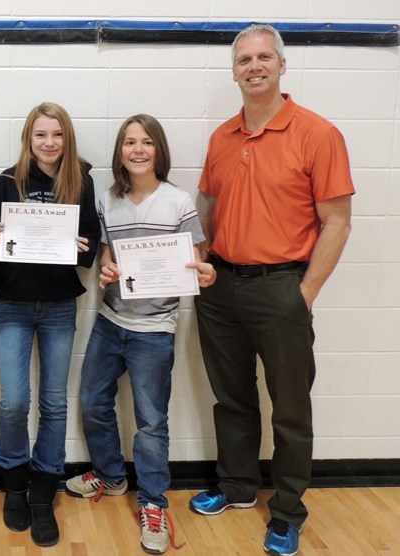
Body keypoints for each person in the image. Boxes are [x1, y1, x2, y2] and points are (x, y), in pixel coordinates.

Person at [189, 24, 354, 556]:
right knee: (231, 397)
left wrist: (303, 294)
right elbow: (206, 204)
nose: (253, 67)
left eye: (263, 57)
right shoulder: (221, 137)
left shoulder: (318, 134)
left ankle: (286, 511)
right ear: (234, 71)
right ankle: (237, 486)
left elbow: (338, 222)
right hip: (220, 288)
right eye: (244, 60)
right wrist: (202, 256)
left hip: (281, 288)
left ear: (282, 66)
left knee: (289, 407)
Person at [64, 114, 215, 554]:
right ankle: (111, 477)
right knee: (93, 401)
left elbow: (198, 262)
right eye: (129, 142)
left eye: (146, 142)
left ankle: (153, 503)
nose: (137, 150)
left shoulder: (179, 201)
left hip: (155, 330)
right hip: (110, 323)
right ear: (120, 151)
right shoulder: (109, 200)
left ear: (158, 150)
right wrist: (107, 272)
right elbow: (106, 260)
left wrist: (205, 274)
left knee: (151, 422)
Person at [0, 102, 101, 547]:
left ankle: (42, 489)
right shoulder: (6, 180)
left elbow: (90, 250)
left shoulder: (81, 181)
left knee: (53, 403)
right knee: (14, 401)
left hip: (57, 306)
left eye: (57, 135)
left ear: (66, 139)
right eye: (40, 135)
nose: (49, 143)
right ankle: (14, 480)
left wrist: (76, 244)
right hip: (13, 302)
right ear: (28, 140)